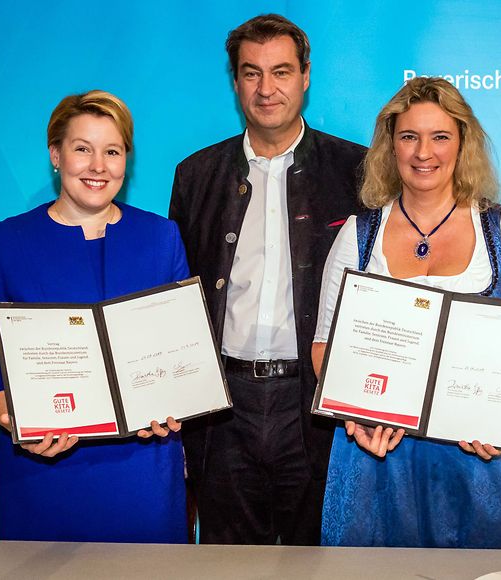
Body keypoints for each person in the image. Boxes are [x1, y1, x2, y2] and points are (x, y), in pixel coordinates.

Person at [311, 77, 501, 548]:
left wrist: (496, 416)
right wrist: (356, 413)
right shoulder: (357, 234)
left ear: (462, 143)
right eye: (409, 136)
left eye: (440, 136)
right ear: (390, 147)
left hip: (480, 454)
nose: (423, 152)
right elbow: (325, 346)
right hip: (377, 453)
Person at [169, 14, 366, 545]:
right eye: (251, 73)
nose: (266, 88)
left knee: (319, 559)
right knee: (228, 565)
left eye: (280, 71)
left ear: (305, 76)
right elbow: (178, 301)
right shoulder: (196, 175)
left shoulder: (358, 171)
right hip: (223, 408)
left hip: (315, 406)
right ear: (235, 82)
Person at [0, 90, 189, 542]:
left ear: (127, 159)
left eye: (113, 151)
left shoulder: (161, 237)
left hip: (143, 476)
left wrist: (177, 400)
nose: (98, 166)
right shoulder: (4, 243)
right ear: (55, 154)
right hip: (43, 474)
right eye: (82, 148)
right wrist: (15, 419)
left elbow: (183, 350)